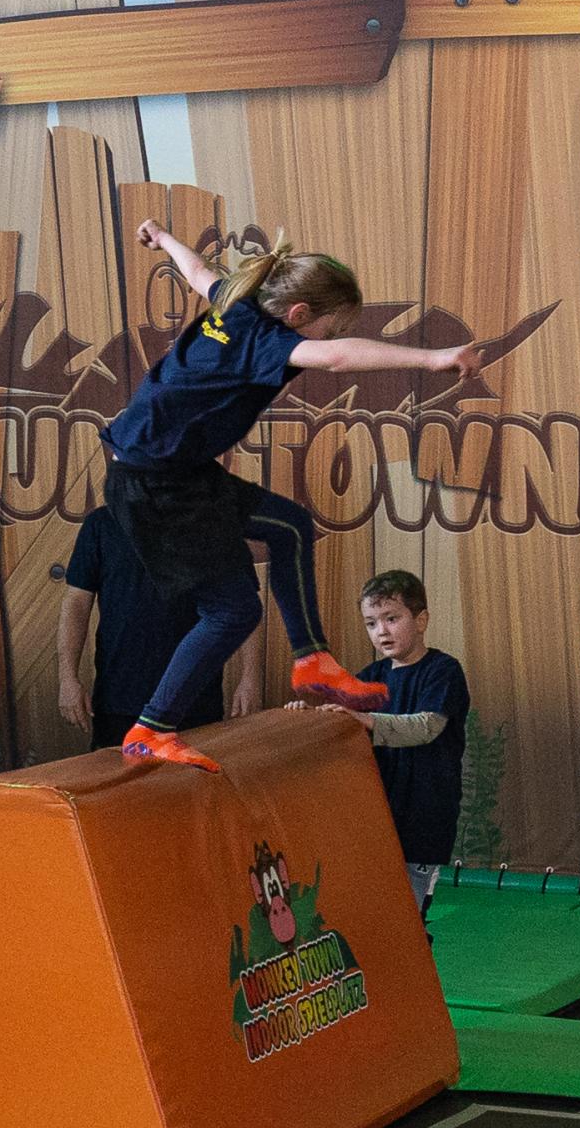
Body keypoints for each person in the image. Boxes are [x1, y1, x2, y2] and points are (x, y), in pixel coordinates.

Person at [104, 221, 485, 771]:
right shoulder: (264, 337)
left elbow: (198, 271)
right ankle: (151, 729)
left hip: (173, 473)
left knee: (289, 527)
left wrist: (163, 239)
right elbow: (336, 358)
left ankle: (312, 660)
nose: (327, 339)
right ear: (299, 313)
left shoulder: (235, 303)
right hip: (155, 488)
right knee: (232, 611)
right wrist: (434, 358)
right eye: (328, 328)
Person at [58, 512, 258, 749]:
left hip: (195, 700)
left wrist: (250, 678)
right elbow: (77, 603)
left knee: (194, 774)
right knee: (118, 773)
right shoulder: (101, 525)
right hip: (118, 700)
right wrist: (67, 678)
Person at [335, 570, 470, 914]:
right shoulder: (370, 677)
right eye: (371, 623)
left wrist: (367, 720)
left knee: (409, 910)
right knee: (376, 907)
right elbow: (338, 716)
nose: (381, 631)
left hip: (425, 814)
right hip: (380, 812)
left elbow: (427, 726)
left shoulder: (443, 670)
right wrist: (308, 713)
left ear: (421, 620)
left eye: (391, 619)